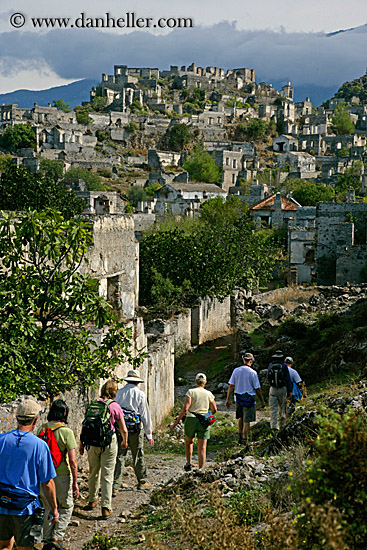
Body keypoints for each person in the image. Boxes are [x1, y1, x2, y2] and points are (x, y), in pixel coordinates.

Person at [0, 398, 58, 550]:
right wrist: (54, 508)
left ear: (16, 417)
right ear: (36, 419)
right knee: (25, 548)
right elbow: (47, 482)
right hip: (25, 507)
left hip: (1, 503)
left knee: (4, 545)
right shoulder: (40, 445)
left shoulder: (2, 440)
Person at [79, 380, 128, 519]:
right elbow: (123, 428)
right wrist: (125, 441)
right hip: (108, 443)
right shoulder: (114, 406)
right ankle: (105, 507)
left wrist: (82, 444)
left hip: (92, 443)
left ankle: (92, 500)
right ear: (114, 392)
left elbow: (85, 425)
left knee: (93, 472)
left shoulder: (93, 404)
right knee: (107, 474)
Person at [38, 399, 79, 550]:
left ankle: (47, 539)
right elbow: (73, 461)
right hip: (62, 475)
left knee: (48, 505)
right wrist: (75, 482)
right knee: (66, 506)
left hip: (45, 475)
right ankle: (58, 536)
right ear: (64, 413)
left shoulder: (41, 430)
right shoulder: (67, 432)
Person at [113, 370, 154, 491]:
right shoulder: (140, 394)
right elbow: (144, 414)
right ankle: (142, 481)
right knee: (138, 454)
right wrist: (149, 433)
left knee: (119, 455)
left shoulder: (119, 393)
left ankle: (115, 484)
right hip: (135, 429)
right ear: (137, 382)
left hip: (120, 427)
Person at [170, 372, 217, 471]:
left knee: (189, 442)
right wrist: (208, 414)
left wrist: (176, 422)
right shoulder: (209, 394)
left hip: (191, 419)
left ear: (195, 381)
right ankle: (201, 468)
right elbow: (214, 409)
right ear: (205, 382)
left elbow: (186, 408)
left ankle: (188, 462)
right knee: (202, 446)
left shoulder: (191, 392)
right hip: (204, 421)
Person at [225, 351, 265, 445]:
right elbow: (257, 388)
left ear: (243, 360)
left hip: (238, 398)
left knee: (240, 418)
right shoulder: (253, 373)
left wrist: (228, 399)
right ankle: (245, 439)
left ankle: (239, 436)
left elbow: (231, 385)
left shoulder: (236, 370)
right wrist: (262, 401)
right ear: (251, 361)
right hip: (249, 399)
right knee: (247, 421)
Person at [267, 350, 292, 432]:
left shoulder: (270, 365)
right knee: (282, 408)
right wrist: (289, 391)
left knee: (273, 409)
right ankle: (282, 425)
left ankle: (273, 426)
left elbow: (268, 377)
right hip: (282, 389)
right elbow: (288, 379)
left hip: (273, 389)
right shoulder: (284, 366)